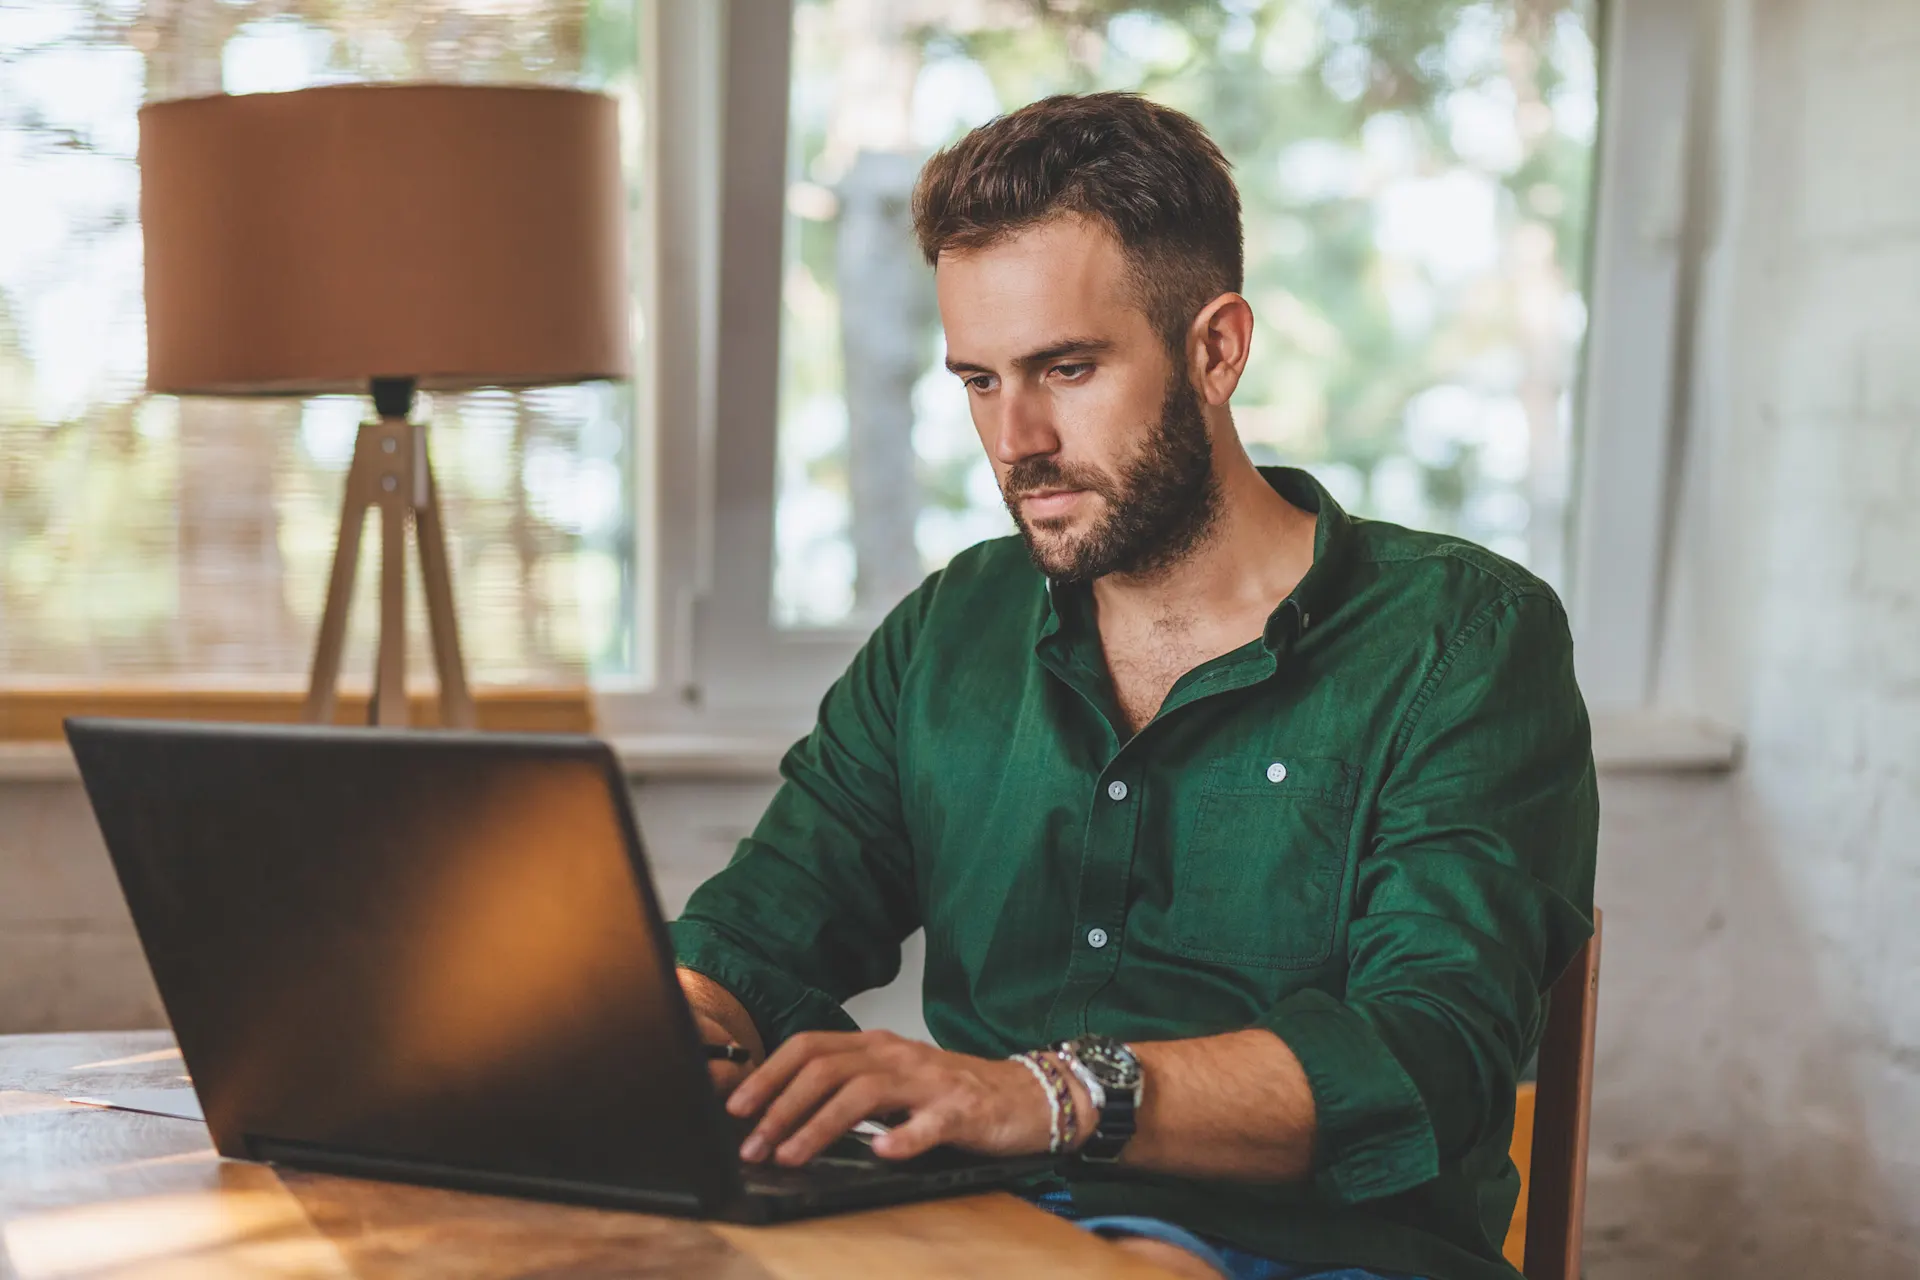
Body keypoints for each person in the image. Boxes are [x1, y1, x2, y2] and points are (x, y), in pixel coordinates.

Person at [670, 91, 1597, 1280]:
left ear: (1216, 348)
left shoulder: (1464, 638)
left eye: (1065, 367)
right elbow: (757, 930)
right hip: (980, 1228)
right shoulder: (952, 629)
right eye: (979, 380)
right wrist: (677, 1040)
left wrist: (1040, 1095)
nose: (1017, 439)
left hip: (1317, 1250)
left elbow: (1427, 1050)